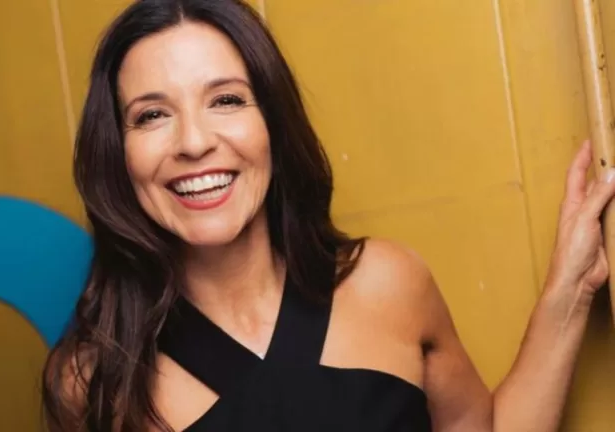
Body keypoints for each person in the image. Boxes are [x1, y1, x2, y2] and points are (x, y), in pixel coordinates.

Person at [41, 0, 615, 430]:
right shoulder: (92, 382)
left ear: (273, 122)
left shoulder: (389, 284)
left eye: (226, 100)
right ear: (116, 151)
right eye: (151, 115)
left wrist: (570, 293)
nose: (194, 142)